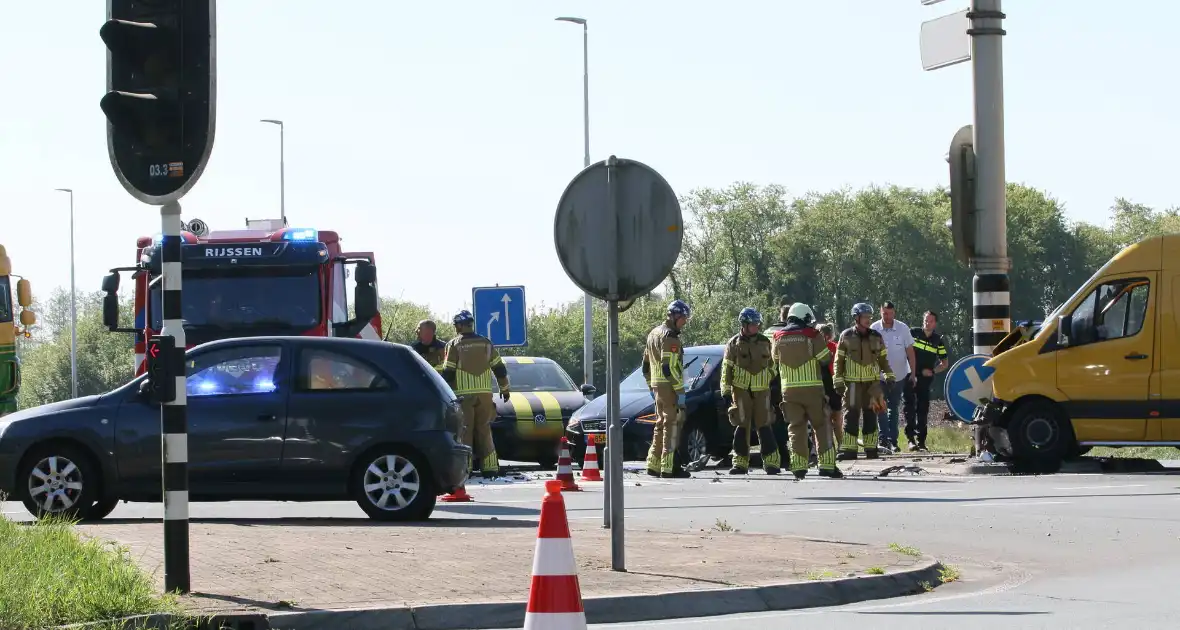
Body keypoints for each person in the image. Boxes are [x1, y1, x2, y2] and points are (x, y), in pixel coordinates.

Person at [438, 310, 511, 488]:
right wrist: (505, 388)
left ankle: (466, 468)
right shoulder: (486, 343)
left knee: (465, 431)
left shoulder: (454, 344)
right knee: (485, 430)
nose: (455, 328)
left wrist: (442, 393)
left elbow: (448, 372)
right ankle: (491, 468)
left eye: (456, 325)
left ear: (461, 325)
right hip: (485, 395)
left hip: (463, 396)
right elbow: (499, 368)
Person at [773, 303, 843, 479]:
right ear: (804, 318)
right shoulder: (813, 335)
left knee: (795, 428)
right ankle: (827, 465)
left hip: (788, 392)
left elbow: (774, 361)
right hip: (812, 390)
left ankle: (799, 466)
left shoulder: (778, 337)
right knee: (822, 425)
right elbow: (825, 359)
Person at [721, 307, 780, 475]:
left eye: (758, 324)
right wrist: (725, 391)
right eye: (754, 324)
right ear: (744, 325)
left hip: (762, 392)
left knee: (765, 426)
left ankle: (771, 463)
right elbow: (727, 369)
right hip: (741, 391)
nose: (757, 327)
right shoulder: (733, 343)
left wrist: (770, 379)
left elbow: (773, 365)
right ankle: (740, 463)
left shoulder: (765, 342)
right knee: (741, 426)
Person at [835, 303, 894, 460]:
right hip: (852, 384)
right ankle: (849, 449)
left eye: (869, 317)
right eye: (865, 317)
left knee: (871, 416)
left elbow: (883, 360)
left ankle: (871, 449)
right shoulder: (846, 336)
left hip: (872, 385)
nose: (868, 320)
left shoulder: (876, 336)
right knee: (851, 416)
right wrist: (838, 381)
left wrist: (889, 375)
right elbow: (838, 361)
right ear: (856, 318)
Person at [642, 299, 693, 478]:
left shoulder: (653, 334)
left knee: (660, 425)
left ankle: (653, 463)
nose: (685, 322)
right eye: (684, 318)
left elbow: (646, 366)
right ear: (675, 316)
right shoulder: (670, 336)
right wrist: (680, 391)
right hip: (669, 387)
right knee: (672, 425)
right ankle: (669, 467)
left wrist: (651, 386)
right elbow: (668, 367)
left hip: (657, 387)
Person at [870, 301, 917, 454]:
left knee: (894, 408)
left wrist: (913, 374)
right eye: (884, 313)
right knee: (880, 408)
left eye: (890, 313)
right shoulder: (874, 329)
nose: (887, 316)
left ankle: (893, 441)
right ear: (880, 312)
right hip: (880, 376)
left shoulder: (903, 328)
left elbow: (910, 352)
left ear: (894, 313)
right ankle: (883, 439)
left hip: (900, 375)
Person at [907, 310, 949, 451]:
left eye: (930, 320)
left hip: (925, 380)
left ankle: (922, 441)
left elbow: (944, 363)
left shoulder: (938, 340)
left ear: (935, 323)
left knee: (923, 409)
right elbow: (904, 352)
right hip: (910, 376)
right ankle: (910, 439)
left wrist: (932, 371)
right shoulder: (913, 333)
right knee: (909, 408)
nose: (927, 322)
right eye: (925, 319)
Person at [818, 323, 844, 447]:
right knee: (828, 419)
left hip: (832, 387)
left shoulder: (834, 347)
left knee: (836, 419)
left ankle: (840, 445)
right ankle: (834, 445)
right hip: (824, 387)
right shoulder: (815, 349)